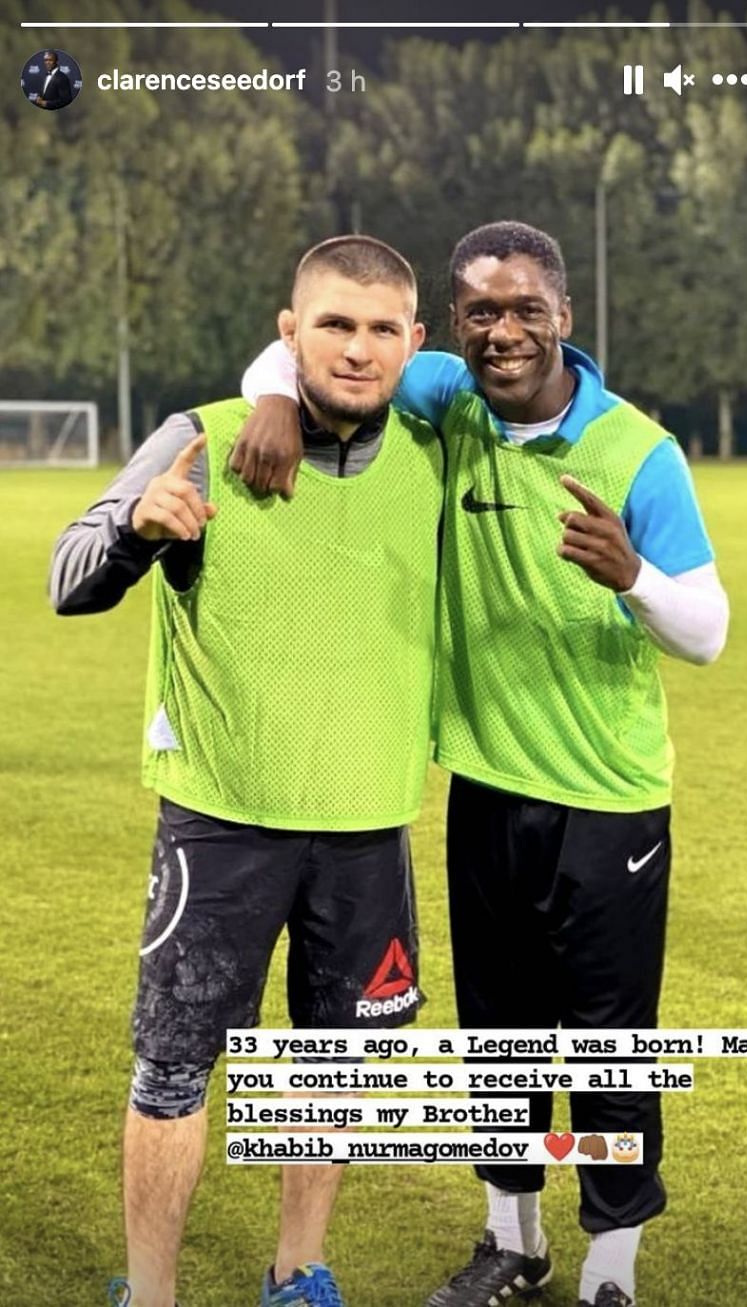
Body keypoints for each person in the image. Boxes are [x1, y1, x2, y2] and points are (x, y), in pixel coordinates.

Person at [235, 221, 729, 1307]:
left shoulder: (635, 449)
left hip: (608, 798)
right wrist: (271, 396)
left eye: (524, 310)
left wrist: (632, 574)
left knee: (608, 1043)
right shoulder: (447, 398)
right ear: (453, 329)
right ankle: (513, 1238)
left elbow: (706, 631)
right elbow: (307, 345)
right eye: (481, 313)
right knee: (497, 1036)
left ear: (563, 315)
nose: (504, 331)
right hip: (485, 785)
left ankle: (610, 1263)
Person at [50, 235, 444, 1307]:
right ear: (288, 330)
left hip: (368, 826)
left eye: (378, 330)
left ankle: (297, 1270)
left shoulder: (437, 452)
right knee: (174, 1071)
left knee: (332, 1071)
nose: (355, 350)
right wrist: (138, 526)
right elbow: (66, 577)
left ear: (413, 342)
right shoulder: (203, 437)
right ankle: (153, 1289)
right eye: (331, 325)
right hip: (220, 825)